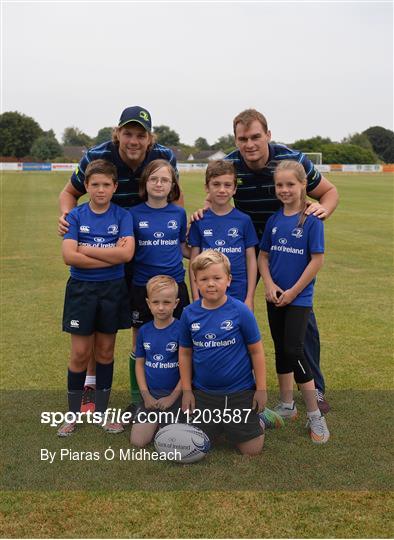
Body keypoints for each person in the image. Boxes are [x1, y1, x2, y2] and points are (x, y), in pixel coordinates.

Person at [58, 106, 182, 412]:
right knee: (96, 330)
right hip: (105, 246)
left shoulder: (164, 156)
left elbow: (175, 199)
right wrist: (66, 217)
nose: (134, 141)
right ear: (118, 134)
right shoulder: (97, 155)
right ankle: (89, 390)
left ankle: (156, 391)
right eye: (128, 133)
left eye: (141, 135)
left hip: (145, 255)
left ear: (150, 139)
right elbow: (69, 193)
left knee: (150, 328)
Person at [223, 108, 339, 412]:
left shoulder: (293, 161)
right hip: (249, 250)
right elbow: (216, 196)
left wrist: (321, 211)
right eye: (242, 138)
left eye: (255, 137)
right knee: (233, 307)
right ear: (235, 139)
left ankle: (316, 388)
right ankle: (235, 385)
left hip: (286, 245)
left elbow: (328, 192)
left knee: (301, 316)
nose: (249, 144)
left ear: (268, 135)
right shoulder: (230, 164)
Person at [57, 159, 134, 436]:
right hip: (82, 290)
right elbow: (69, 256)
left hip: (112, 291)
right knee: (79, 354)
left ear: (114, 187)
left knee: (105, 353)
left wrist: (86, 250)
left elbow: (126, 255)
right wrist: (110, 257)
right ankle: (72, 415)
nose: (100, 190)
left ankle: (102, 413)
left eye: (106, 185)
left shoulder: (122, 216)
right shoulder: (76, 216)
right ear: (86, 186)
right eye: (95, 185)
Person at [258, 160, 330, 443]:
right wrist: (271, 285)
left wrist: (294, 291)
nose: (285, 189)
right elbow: (263, 256)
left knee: (294, 349)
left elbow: (317, 260)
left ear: (303, 186)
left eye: (291, 184)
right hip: (276, 296)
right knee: (281, 349)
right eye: (280, 185)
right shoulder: (275, 220)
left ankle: (315, 415)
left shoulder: (312, 220)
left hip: (299, 299)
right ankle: (287, 406)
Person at [179, 250, 267, 456]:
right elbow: (184, 354)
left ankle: (259, 420)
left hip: (239, 391)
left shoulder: (240, 311)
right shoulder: (188, 314)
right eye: (204, 279)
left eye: (217, 278)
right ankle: (222, 424)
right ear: (196, 281)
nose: (211, 284)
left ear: (228, 280)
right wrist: (187, 391)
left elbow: (256, 352)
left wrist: (261, 389)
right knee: (198, 442)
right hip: (205, 393)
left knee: (251, 450)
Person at [129, 159, 190, 335]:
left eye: (164, 180)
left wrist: (205, 254)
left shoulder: (179, 213)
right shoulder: (133, 214)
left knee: (179, 338)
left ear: (172, 185)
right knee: (140, 340)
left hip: (175, 284)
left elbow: (182, 247)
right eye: (153, 179)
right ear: (145, 182)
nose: (158, 184)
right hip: (143, 285)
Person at [188, 160, 258, 311]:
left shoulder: (244, 220)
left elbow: (251, 259)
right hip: (207, 293)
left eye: (227, 185)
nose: (222, 190)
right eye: (216, 184)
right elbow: (194, 261)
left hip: (238, 292)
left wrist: (249, 297)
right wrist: (195, 297)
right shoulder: (199, 221)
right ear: (207, 187)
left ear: (234, 189)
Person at [130, 275, 184, 447]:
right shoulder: (144, 331)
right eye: (156, 302)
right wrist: (145, 395)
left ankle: (169, 423)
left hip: (175, 399)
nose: (161, 308)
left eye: (167, 303)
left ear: (176, 303)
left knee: (172, 442)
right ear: (148, 303)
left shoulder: (182, 329)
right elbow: (139, 364)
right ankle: (150, 419)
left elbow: (187, 369)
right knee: (137, 442)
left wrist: (172, 397)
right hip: (151, 399)